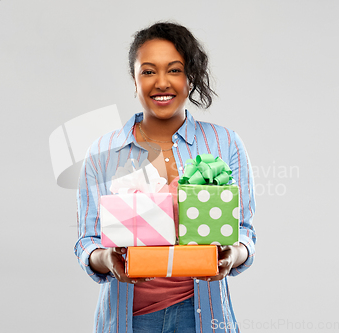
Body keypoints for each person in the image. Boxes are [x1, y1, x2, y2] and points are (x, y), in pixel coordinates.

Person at [75, 21, 256, 333]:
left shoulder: (226, 144)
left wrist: (233, 255)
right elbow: (87, 241)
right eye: (148, 71)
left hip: (201, 313)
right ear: (134, 80)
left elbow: (244, 232)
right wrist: (107, 258)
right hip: (129, 318)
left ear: (190, 78)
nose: (161, 82)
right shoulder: (102, 152)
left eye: (174, 70)